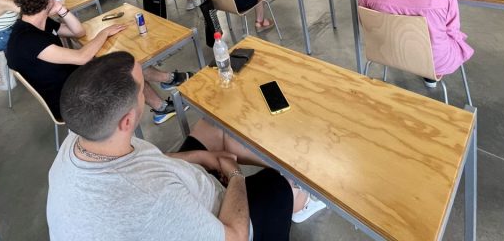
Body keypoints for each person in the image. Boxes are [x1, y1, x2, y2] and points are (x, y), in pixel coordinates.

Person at [46, 52, 326, 241]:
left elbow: (150, 161)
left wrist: (200, 156)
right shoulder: (153, 199)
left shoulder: (80, 138)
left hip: (186, 191)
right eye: (143, 87)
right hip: (221, 220)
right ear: (128, 120)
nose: (147, 92)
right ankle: (299, 197)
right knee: (280, 186)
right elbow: (234, 236)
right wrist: (236, 176)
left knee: (213, 126)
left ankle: (292, 173)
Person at [5, 0, 188, 124]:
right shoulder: (28, 41)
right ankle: (162, 105)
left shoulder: (34, 21)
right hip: (71, 99)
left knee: (119, 58)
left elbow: (78, 32)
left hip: (70, 78)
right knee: (124, 67)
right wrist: (104, 32)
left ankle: (167, 80)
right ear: (48, 0)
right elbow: (82, 57)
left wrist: (62, 10)